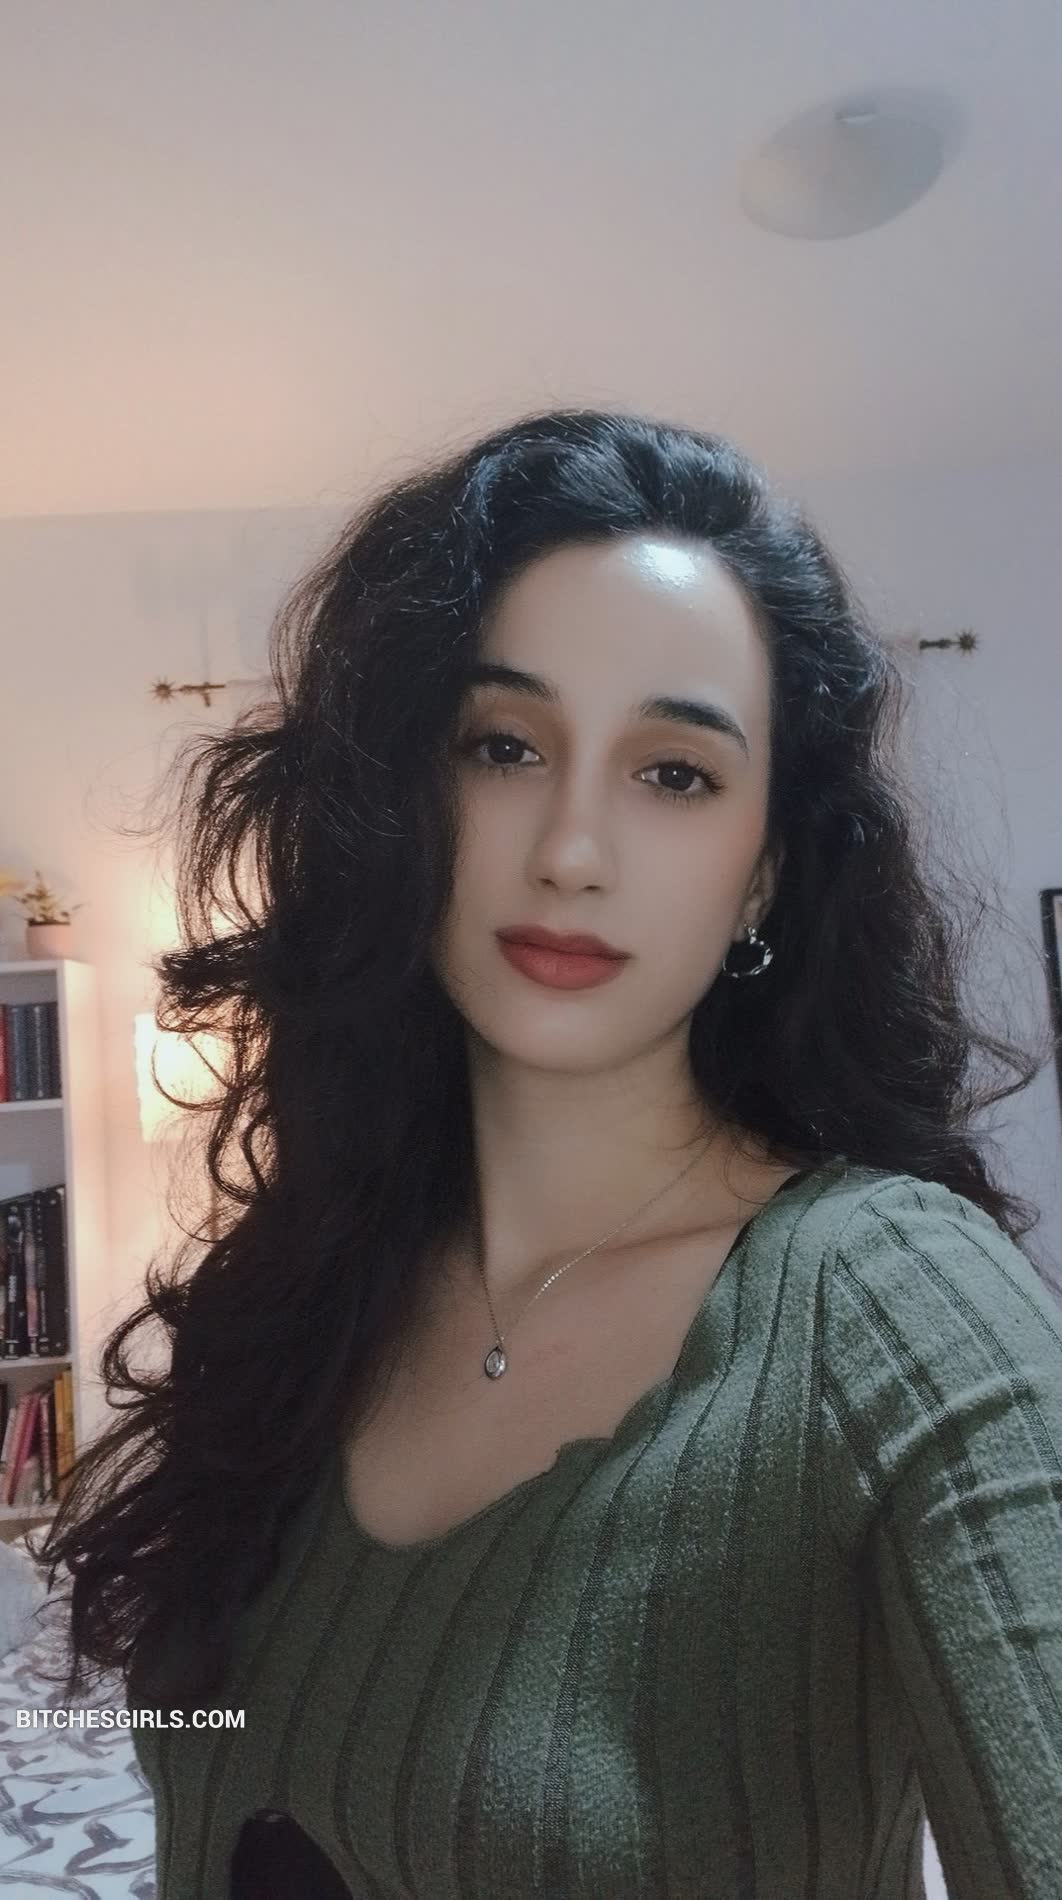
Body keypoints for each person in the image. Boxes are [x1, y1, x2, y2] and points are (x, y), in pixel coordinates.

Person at [29, 408, 1062, 1899]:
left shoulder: (889, 1303)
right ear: (402, 797)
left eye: (675, 773)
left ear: (765, 870)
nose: (571, 849)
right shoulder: (307, 1289)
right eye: (503, 747)